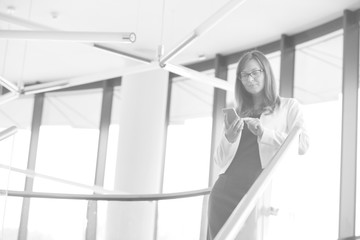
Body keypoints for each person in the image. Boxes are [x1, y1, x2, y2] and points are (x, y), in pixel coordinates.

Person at [207, 50, 309, 239]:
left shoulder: (288, 107)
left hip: (257, 191)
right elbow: (219, 160)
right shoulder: (237, 112)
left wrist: (265, 133)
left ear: (266, 72)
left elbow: (302, 144)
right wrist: (229, 137)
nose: (250, 78)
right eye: (244, 75)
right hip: (224, 191)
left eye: (255, 72)